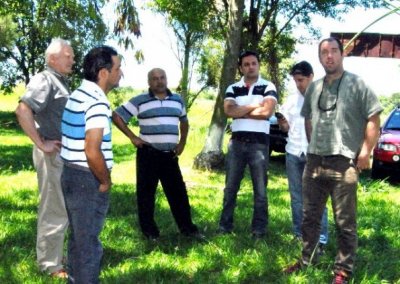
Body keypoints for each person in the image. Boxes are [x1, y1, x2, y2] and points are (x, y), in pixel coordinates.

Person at [284, 38, 382, 284]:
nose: (329, 56)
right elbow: (307, 119)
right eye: (324, 52)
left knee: (344, 222)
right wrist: (313, 146)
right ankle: (307, 259)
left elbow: (373, 118)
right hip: (315, 162)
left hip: (344, 163)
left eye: (334, 51)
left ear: (342, 54)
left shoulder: (357, 85)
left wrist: (365, 152)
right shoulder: (314, 88)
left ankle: (343, 271)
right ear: (319, 58)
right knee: (309, 216)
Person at [112, 68, 201, 240]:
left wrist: (182, 143)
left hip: (170, 155)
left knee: (178, 194)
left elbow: (184, 122)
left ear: (167, 79)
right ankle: (150, 233)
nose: (159, 81)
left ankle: (188, 229)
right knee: (146, 195)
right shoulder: (140, 100)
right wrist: (133, 137)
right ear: (149, 82)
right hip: (148, 155)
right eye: (154, 79)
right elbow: (116, 116)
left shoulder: (177, 100)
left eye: (162, 77)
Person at [60, 45, 122, 283]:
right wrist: (105, 180)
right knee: (88, 246)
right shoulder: (97, 102)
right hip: (87, 179)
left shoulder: (76, 95)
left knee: (78, 237)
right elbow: (91, 149)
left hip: (70, 173)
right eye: (118, 68)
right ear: (104, 73)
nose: (121, 73)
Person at [15, 38, 75, 278]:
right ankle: (50, 264)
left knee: (61, 206)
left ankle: (58, 256)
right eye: (68, 55)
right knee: (54, 207)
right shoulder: (45, 79)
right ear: (53, 59)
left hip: (62, 153)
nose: (72, 59)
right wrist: (41, 142)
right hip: (50, 153)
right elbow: (23, 109)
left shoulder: (60, 82)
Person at [218, 50, 278, 239]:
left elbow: (267, 112)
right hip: (236, 144)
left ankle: (259, 230)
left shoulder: (268, 86)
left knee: (260, 190)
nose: (250, 67)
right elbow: (228, 110)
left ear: (258, 65)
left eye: (253, 63)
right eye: (246, 64)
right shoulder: (233, 88)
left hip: (259, 145)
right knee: (230, 188)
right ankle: (225, 226)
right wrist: (254, 105)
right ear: (241, 67)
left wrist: (241, 111)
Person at [277, 61, 328, 251]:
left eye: (301, 80)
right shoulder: (291, 100)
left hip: (314, 156)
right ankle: (300, 234)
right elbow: (286, 129)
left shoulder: (323, 98)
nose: (298, 84)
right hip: (292, 154)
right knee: (296, 197)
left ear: (311, 77)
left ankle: (321, 240)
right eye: (295, 81)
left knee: (317, 199)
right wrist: (282, 122)